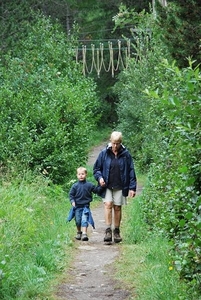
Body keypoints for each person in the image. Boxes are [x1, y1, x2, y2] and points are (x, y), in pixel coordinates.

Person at [93, 131, 137, 243]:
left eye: (117, 143)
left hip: (120, 185)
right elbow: (96, 169)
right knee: (108, 204)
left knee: (117, 207)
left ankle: (116, 231)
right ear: (110, 141)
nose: (115, 146)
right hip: (107, 185)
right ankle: (108, 231)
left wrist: (132, 187)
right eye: (113, 143)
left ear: (121, 142)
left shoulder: (126, 154)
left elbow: (131, 170)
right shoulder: (104, 153)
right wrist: (100, 178)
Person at [68, 166, 102, 241]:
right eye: (79, 174)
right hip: (77, 207)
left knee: (84, 219)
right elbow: (71, 195)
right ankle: (79, 232)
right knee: (78, 220)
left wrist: (101, 185)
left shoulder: (89, 185)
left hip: (85, 207)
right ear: (77, 175)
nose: (81, 176)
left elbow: (96, 190)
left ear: (86, 174)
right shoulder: (75, 186)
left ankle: (84, 234)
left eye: (82, 174)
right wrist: (72, 201)